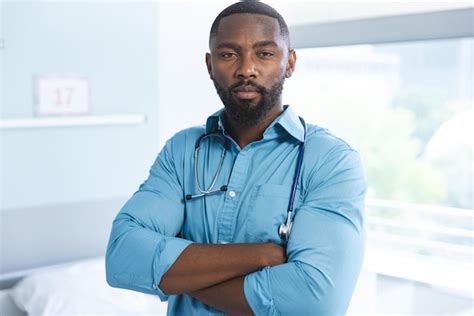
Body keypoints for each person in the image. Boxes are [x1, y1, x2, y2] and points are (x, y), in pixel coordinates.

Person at [106, 1, 367, 315]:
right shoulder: (183, 151)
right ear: (209, 64)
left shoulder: (330, 161)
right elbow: (122, 256)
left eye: (264, 53)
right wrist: (260, 255)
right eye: (229, 54)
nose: (246, 69)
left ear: (290, 63)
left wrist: (179, 275)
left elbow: (315, 301)